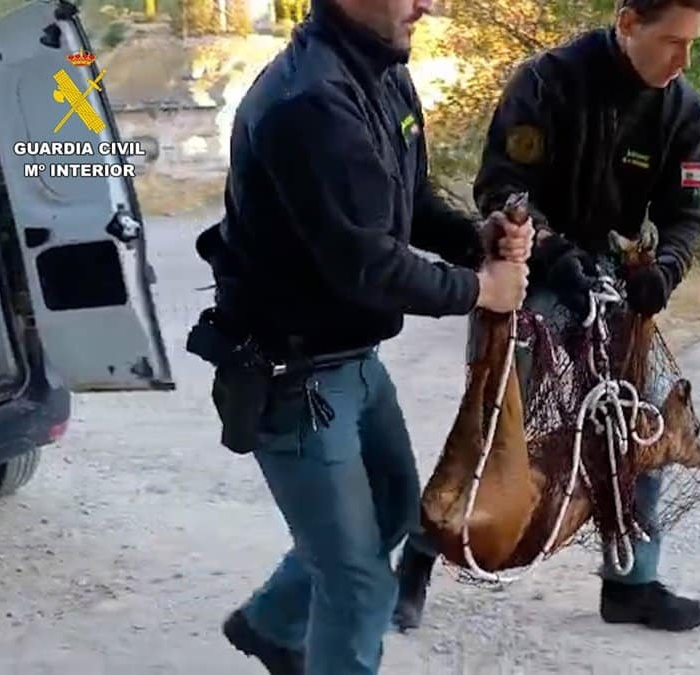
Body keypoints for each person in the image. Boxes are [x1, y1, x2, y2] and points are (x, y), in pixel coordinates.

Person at [191, 1, 533, 673]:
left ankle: (270, 626)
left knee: (393, 509)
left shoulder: (384, 74)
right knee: (358, 584)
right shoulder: (309, 103)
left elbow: (405, 207)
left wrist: (476, 237)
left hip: (352, 361)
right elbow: (368, 265)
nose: (426, 5)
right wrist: (480, 289)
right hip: (292, 379)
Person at [392, 0, 700, 635]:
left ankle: (631, 583)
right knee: (496, 426)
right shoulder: (547, 81)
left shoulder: (683, 108)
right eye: (671, 41)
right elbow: (502, 188)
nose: (682, 59)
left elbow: (685, 215)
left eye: (692, 45)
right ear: (627, 23)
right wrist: (551, 250)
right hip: (531, 274)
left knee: (641, 423)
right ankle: (417, 561)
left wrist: (663, 271)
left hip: (611, 283)